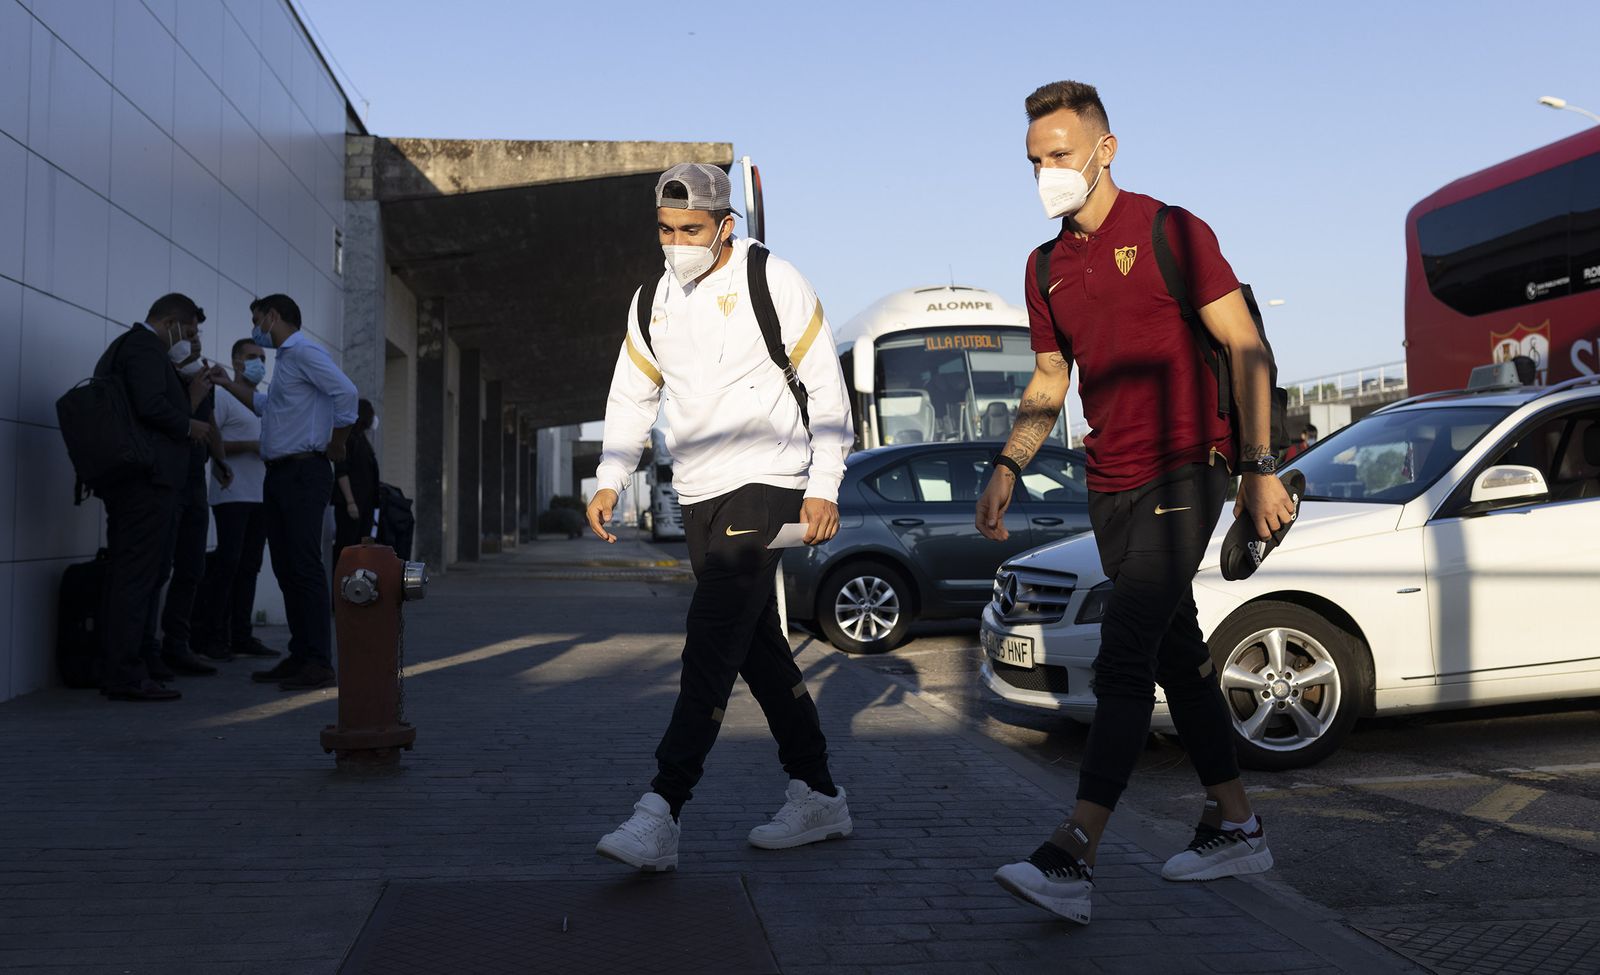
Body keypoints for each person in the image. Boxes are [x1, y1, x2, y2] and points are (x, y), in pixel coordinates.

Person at [977, 81, 1296, 925]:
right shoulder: (1045, 265)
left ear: (1105, 148)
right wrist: (1010, 463)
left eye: (1060, 154)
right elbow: (1051, 378)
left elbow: (1245, 344)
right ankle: (1238, 822)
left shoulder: (1169, 230)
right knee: (1172, 650)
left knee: (1123, 650)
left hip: (1187, 470)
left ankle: (1075, 852)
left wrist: (1260, 467)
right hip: (1109, 481)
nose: (1048, 171)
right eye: (1034, 160)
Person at [587, 163, 855, 872]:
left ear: (725, 225)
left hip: (768, 479)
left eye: (692, 230)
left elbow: (828, 388)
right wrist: (611, 475)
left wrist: (824, 483)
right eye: (667, 231)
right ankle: (820, 792)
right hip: (699, 492)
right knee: (755, 646)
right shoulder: (652, 301)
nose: (677, 244)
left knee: (708, 641)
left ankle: (662, 809)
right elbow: (631, 396)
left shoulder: (774, 280)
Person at [209, 294, 358, 692]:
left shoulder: (304, 352)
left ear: (273, 317)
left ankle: (318, 662)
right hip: (279, 476)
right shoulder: (287, 363)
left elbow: (347, 395)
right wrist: (226, 384)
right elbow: (262, 406)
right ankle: (301, 654)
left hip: (303, 473)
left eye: (258, 321)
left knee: (304, 566)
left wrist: (339, 444)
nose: (256, 329)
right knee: (287, 569)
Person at [94, 294, 215, 701]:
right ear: (171, 323)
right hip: (147, 482)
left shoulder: (126, 347)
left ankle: (133, 664)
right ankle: (126, 673)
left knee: (136, 574)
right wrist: (188, 424)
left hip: (136, 479)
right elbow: (151, 405)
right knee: (137, 577)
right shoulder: (145, 348)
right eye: (190, 331)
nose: (192, 339)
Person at [192, 338, 278, 662]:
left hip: (260, 495)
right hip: (232, 495)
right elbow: (214, 443)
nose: (258, 363)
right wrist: (252, 446)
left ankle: (242, 635)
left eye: (262, 358)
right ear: (236, 361)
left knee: (250, 567)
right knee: (228, 565)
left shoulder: (262, 400)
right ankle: (214, 637)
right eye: (251, 357)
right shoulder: (224, 397)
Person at [153, 333, 232, 677]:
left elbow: (209, 422)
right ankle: (148, 647)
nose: (197, 351)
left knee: (192, 564)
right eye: (192, 343)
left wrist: (221, 459)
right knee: (158, 567)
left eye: (200, 345)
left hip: (195, 481)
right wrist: (192, 395)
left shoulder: (201, 380)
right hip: (167, 480)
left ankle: (177, 643)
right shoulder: (160, 375)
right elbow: (161, 421)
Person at [331, 399, 380, 571]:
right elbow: (341, 471)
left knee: (361, 547)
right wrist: (350, 502)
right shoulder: (349, 439)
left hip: (365, 504)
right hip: (352, 505)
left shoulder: (361, 439)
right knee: (347, 546)